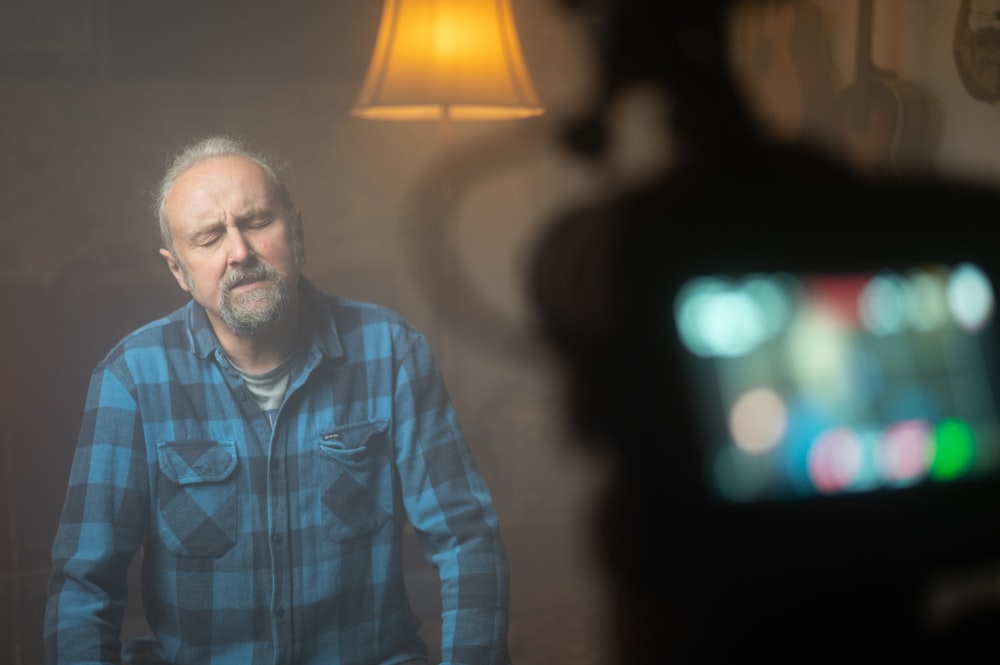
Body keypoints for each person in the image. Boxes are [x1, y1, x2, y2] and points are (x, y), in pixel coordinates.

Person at [44, 135, 511, 665]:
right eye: (209, 237)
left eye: (257, 221)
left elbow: (467, 543)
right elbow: (86, 585)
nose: (239, 252)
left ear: (298, 233)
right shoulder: (130, 379)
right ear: (178, 270)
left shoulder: (391, 351)